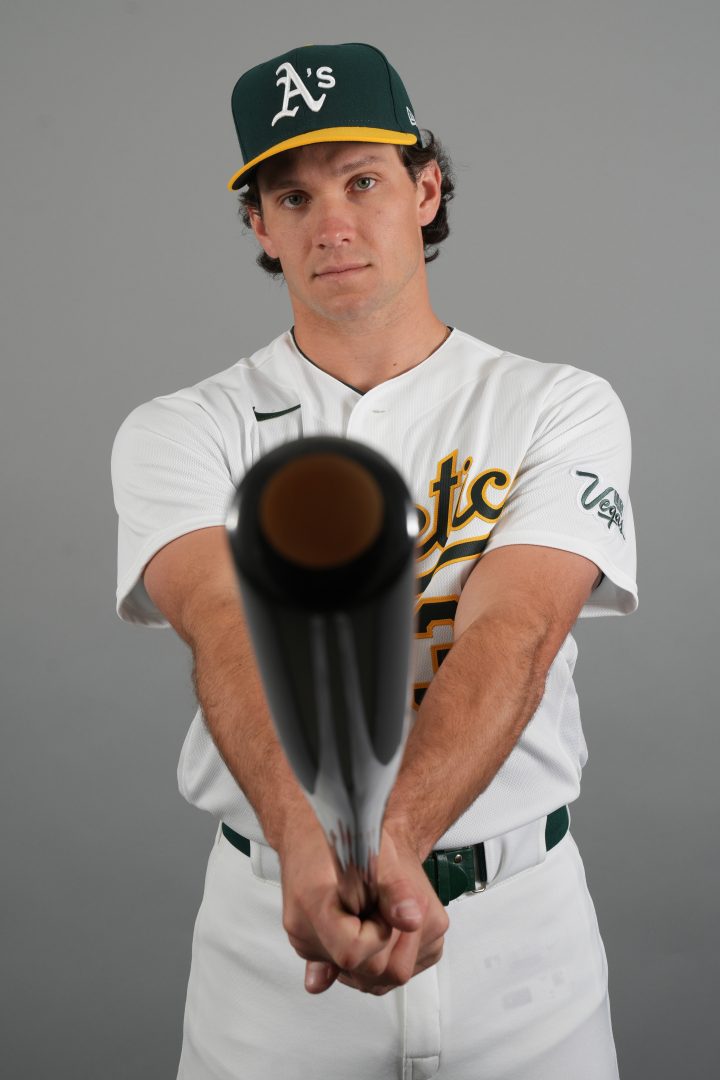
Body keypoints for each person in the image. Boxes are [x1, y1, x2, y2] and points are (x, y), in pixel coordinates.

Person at [111, 42, 637, 1080]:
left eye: (363, 181)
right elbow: (225, 629)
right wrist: (314, 846)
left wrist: (387, 839)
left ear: (425, 187)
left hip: (523, 939)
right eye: (293, 196)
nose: (333, 222)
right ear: (259, 226)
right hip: (275, 939)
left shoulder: (555, 404)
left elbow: (515, 631)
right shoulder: (182, 429)